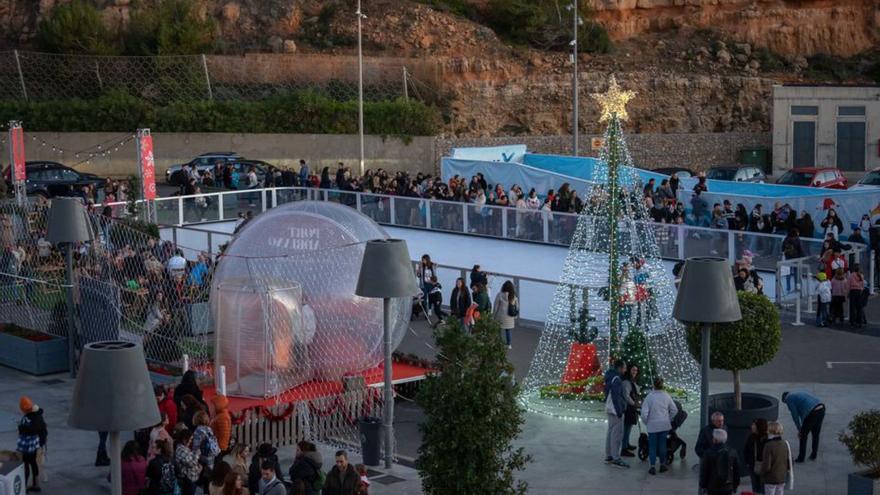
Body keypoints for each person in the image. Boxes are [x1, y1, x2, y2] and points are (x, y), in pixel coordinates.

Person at [640, 377, 678, 475]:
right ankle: (662, 465)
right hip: (664, 425)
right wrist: (668, 419)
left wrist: (646, 422)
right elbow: (674, 410)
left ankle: (652, 466)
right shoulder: (666, 396)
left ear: (653, 385)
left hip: (652, 425)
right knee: (662, 445)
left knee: (652, 446)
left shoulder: (649, 397)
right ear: (662, 384)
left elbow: (644, 413)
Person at [781, 391, 825, 462]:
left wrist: (800, 430)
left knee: (803, 436)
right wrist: (802, 428)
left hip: (812, 412)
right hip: (821, 408)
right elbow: (803, 415)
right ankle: (814, 455)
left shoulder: (789, 399)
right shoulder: (798, 394)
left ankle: (801, 458)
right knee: (815, 434)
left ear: (784, 399)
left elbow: (795, 415)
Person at [17, 396, 47, 493]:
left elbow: (23, 431)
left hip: (27, 446)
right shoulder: (38, 416)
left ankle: (24, 487)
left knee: (25, 464)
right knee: (34, 463)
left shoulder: (27, 419)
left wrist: (21, 427)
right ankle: (36, 485)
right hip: (37, 444)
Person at [603, 359, 629, 468]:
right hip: (615, 410)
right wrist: (619, 411)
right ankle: (615, 458)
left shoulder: (609, 376)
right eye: (624, 367)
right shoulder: (617, 379)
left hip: (609, 409)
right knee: (617, 435)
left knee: (610, 432)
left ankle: (609, 455)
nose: (625, 370)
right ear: (619, 368)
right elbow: (616, 397)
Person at [700, 429, 740, 495]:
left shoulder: (708, 453)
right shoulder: (732, 452)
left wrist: (703, 486)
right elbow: (737, 470)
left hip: (712, 486)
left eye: (713, 437)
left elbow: (704, 471)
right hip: (728, 486)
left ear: (716, 439)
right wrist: (735, 485)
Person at [761, 421, 793, 495]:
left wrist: (762, 473)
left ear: (770, 431)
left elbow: (767, 465)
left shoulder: (768, 445)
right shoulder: (785, 443)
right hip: (782, 477)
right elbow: (790, 461)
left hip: (770, 478)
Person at [745, 418, 769, 494]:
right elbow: (746, 450)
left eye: (753, 425)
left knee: (762, 488)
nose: (751, 426)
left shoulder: (766, 439)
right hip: (753, 466)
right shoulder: (751, 437)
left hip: (763, 467)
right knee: (756, 488)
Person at [174, 428, 201, 495]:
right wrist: (197, 454)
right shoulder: (181, 450)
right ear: (184, 440)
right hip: (188, 481)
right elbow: (191, 463)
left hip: (191, 479)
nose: (191, 441)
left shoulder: (184, 448)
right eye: (190, 439)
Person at [621, 364, 641, 456]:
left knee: (629, 427)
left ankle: (627, 444)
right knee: (626, 428)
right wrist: (634, 403)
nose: (635, 372)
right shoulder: (626, 382)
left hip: (632, 407)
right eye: (633, 370)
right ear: (629, 370)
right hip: (628, 408)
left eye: (636, 370)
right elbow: (626, 396)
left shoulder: (632, 381)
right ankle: (624, 448)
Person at [493, 280, 518, 349]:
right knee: (508, 330)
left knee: (498, 330)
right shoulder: (513, 296)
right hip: (509, 317)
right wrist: (515, 316)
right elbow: (516, 307)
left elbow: (495, 307)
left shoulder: (499, 295)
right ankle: (509, 344)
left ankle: (499, 343)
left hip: (500, 316)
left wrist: (493, 316)